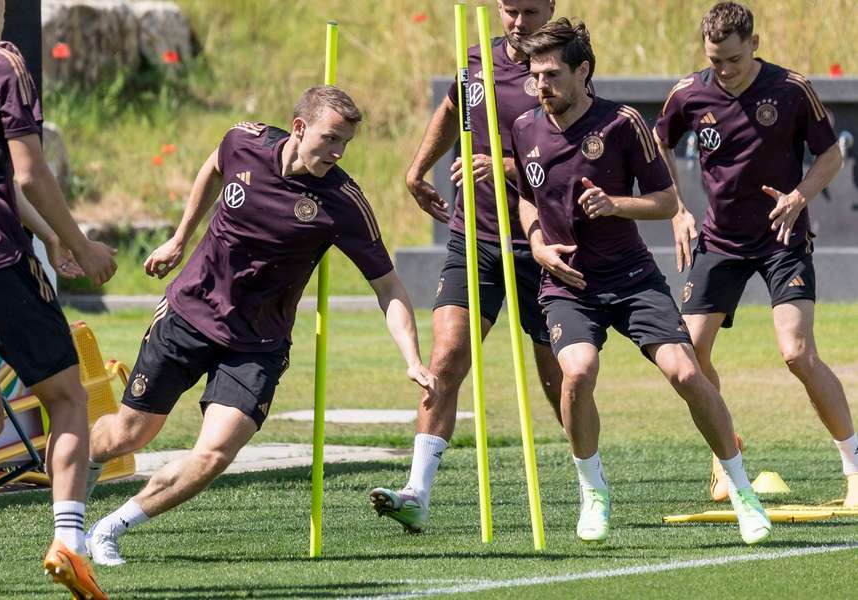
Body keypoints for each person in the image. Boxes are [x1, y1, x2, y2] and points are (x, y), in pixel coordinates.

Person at [83, 86, 437, 566]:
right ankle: (71, 471)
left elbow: (389, 288)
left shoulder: (342, 202)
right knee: (128, 435)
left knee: (212, 455)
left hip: (257, 345)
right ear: (298, 128)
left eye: (345, 144)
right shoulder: (243, 141)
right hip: (189, 313)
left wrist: (412, 358)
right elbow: (213, 165)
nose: (336, 153)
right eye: (330, 139)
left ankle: (108, 530)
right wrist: (179, 238)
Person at [511, 19, 771, 544]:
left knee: (685, 372)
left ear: (583, 71)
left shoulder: (622, 123)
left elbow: (667, 202)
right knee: (578, 373)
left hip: (631, 278)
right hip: (568, 284)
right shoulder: (524, 128)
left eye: (552, 73)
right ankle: (594, 491)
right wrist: (537, 243)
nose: (541, 84)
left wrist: (613, 205)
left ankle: (743, 489)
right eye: (535, 75)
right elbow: (523, 197)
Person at [371, 0, 564, 535]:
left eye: (530, 10)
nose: (519, 21)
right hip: (472, 236)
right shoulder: (477, 55)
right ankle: (416, 492)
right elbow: (454, 108)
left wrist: (502, 163)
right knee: (446, 356)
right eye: (510, 10)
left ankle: (588, 478)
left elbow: (570, 147)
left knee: (559, 375)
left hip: (539, 240)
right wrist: (417, 169)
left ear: (551, 6)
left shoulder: (560, 66)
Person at [653, 1, 857, 506]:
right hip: (720, 240)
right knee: (689, 356)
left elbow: (831, 154)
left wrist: (800, 195)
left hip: (781, 234)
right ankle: (726, 460)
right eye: (715, 60)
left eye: (734, 61)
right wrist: (678, 208)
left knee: (796, 353)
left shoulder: (790, 89)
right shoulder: (688, 93)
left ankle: (854, 466)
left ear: (755, 47)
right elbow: (657, 146)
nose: (723, 71)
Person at [0, 0, 117, 598]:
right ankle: (71, 545)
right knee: (68, 398)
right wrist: (81, 246)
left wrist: (52, 236)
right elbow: (27, 172)